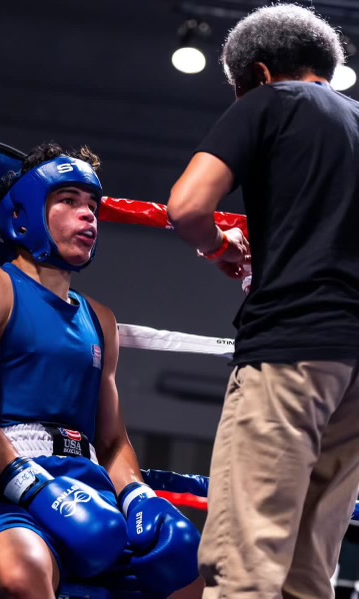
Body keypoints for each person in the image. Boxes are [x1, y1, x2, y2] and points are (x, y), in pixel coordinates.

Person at [0, 142, 202, 599]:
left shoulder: (100, 319)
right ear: (23, 214)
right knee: (22, 575)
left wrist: (138, 496)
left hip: (90, 489)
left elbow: (113, 440)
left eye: (93, 206)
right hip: (3, 488)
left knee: (192, 575)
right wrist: (32, 486)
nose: (89, 217)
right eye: (68, 201)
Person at [167, 4, 359, 598]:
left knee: (244, 563)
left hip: (292, 349)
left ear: (258, 73)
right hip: (354, 367)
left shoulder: (271, 103)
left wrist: (217, 246)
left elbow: (187, 206)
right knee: (309, 573)